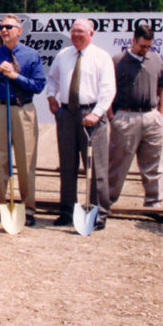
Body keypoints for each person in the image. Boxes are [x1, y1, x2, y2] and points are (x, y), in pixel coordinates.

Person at [47, 18, 116, 231]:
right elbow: (52, 79)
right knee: (67, 166)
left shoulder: (101, 57)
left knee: (95, 167)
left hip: (91, 114)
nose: (76, 35)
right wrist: (51, 97)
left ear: (91, 33)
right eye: (73, 31)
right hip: (67, 115)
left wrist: (96, 114)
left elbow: (108, 89)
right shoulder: (63, 55)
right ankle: (67, 210)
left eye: (81, 31)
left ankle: (99, 212)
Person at [0, 16, 46, 227]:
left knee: (26, 160)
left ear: (19, 30)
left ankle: (28, 209)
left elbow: (38, 85)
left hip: (23, 110)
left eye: (8, 27)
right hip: (0, 108)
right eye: (1, 27)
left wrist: (15, 76)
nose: (4, 30)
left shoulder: (31, 55)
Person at [108, 24, 163, 223]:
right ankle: (108, 200)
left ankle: (153, 203)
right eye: (142, 46)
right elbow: (107, 91)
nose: (145, 50)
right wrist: (111, 117)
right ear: (133, 40)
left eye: (149, 46)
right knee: (118, 162)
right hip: (126, 116)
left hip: (151, 116)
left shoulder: (156, 59)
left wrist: (161, 115)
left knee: (153, 162)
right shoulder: (117, 61)